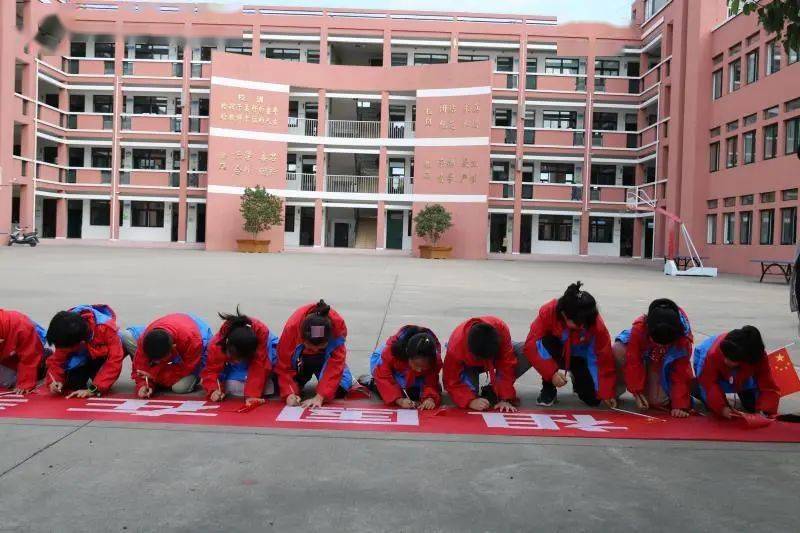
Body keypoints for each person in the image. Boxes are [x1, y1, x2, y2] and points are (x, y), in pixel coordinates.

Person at [521, 282, 618, 408]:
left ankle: (576, 377)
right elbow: (531, 346)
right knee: (547, 342)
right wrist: (551, 374)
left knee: (593, 400)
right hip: (555, 355)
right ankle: (548, 387)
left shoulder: (594, 323)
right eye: (578, 323)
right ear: (564, 314)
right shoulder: (549, 312)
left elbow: (602, 358)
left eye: (585, 324)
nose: (583, 327)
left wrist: (606, 392)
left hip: (579, 359)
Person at [614, 299, 694, 418]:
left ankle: (653, 388)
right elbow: (633, 361)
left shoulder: (683, 339)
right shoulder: (640, 327)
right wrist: (637, 392)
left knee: (657, 401)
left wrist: (679, 405)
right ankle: (617, 389)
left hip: (660, 363)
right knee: (618, 350)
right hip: (645, 357)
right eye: (657, 342)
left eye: (665, 344)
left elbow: (681, 372)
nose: (661, 346)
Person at [275, 300, 354, 408]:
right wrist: (289, 393)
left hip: (324, 359)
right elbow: (283, 364)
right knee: (281, 388)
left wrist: (320, 396)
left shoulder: (337, 327)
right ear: (302, 338)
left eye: (320, 347)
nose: (315, 350)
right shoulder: (292, 328)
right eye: (311, 347)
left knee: (340, 389)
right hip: (301, 360)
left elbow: (336, 362)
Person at [693, 325, 780, 419]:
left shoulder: (758, 357)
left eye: (731, 359)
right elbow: (709, 384)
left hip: (741, 372)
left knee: (752, 406)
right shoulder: (712, 354)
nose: (726, 361)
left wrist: (765, 411)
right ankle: (695, 387)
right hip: (707, 363)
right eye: (725, 356)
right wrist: (722, 408)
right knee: (713, 405)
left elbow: (768, 385)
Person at [123, 313, 213, 398]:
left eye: (159, 360)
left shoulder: (193, 342)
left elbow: (184, 369)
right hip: (176, 325)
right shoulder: (145, 340)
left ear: (173, 347)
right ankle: (160, 380)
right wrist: (144, 385)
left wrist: (154, 376)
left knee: (180, 387)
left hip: (198, 343)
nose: (156, 363)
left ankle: (194, 378)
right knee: (127, 336)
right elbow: (140, 368)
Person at [200, 309, 278, 407]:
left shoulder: (261, 333)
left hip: (265, 351)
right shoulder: (216, 344)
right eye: (234, 357)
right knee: (231, 385)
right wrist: (214, 390)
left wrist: (252, 395)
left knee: (266, 385)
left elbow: (260, 364)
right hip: (238, 361)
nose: (237, 361)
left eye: (240, 358)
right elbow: (211, 370)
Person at [45, 304, 125, 398]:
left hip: (100, 357)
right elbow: (57, 360)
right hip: (83, 356)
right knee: (74, 384)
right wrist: (55, 380)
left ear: (81, 342)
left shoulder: (106, 328)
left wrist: (93, 389)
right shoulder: (65, 330)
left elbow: (114, 361)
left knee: (102, 383)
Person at [442, 317, 518, 412]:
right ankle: (487, 388)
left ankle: (494, 389)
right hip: (469, 367)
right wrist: (470, 401)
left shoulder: (501, 329)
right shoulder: (455, 346)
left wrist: (505, 399)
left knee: (523, 350)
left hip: (493, 361)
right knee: (472, 393)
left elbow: (507, 364)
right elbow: (451, 380)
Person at [363, 325, 442, 410]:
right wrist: (399, 400)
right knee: (391, 389)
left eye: (424, 367)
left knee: (417, 393)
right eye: (417, 365)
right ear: (408, 356)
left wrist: (430, 398)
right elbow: (383, 376)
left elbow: (431, 381)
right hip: (385, 363)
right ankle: (372, 383)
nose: (419, 369)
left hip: (409, 373)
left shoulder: (434, 360)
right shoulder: (392, 351)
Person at [0, 309, 48, 393]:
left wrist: (25, 384)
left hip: (31, 346)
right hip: (7, 350)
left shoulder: (22, 327)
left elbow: (30, 357)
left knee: (8, 381)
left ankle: (42, 364)